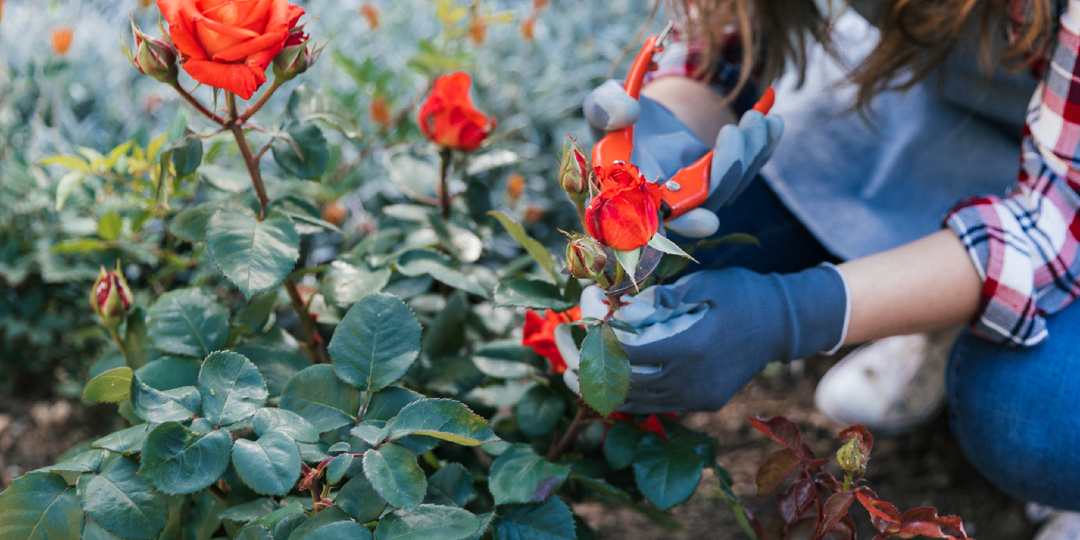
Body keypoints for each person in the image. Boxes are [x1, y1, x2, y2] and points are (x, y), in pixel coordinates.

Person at [566, 0, 1080, 530]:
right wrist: (666, 121)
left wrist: (795, 313)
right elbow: (739, 32)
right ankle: (936, 305)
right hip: (932, 99)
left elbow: (1063, 213)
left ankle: (951, 306)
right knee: (695, 251)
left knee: (1036, 418)